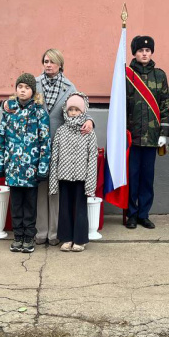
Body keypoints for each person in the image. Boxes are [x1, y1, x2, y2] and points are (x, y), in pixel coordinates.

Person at [4, 49, 94, 246]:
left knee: (55, 191)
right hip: (36, 147)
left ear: (60, 64)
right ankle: (40, 231)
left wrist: (90, 121)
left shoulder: (69, 87)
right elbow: (18, 99)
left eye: (52, 61)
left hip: (62, 145)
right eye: (45, 61)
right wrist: (6, 104)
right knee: (39, 190)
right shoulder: (34, 83)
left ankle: (54, 233)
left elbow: (78, 108)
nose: (48, 65)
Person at [0, 73, 51, 253]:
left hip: (31, 169)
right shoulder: (9, 111)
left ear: (33, 91)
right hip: (13, 168)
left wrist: (42, 168)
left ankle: (29, 237)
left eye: (27, 88)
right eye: (20, 87)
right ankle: (18, 236)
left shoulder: (39, 112)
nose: (23, 91)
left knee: (30, 205)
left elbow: (45, 142)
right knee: (16, 204)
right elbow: (1, 139)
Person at [125, 35, 169, 229]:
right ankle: (131, 214)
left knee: (147, 178)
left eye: (148, 50)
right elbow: (121, 106)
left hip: (152, 137)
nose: (144, 53)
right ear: (134, 53)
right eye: (141, 50)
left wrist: (164, 133)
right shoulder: (126, 75)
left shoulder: (160, 75)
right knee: (132, 177)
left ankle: (144, 214)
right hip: (132, 136)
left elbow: (165, 105)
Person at [50, 93, 98, 252]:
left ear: (82, 111)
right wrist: (53, 182)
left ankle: (80, 239)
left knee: (80, 209)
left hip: (81, 177)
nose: (73, 112)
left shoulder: (88, 132)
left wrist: (90, 184)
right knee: (64, 208)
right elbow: (55, 157)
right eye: (70, 109)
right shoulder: (61, 131)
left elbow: (92, 158)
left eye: (77, 110)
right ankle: (66, 238)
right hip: (64, 176)